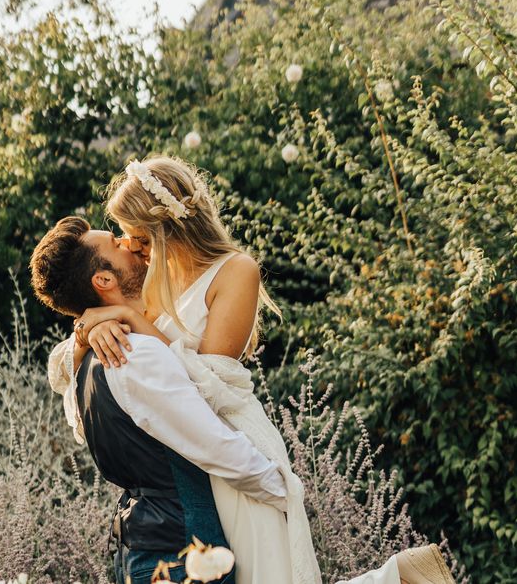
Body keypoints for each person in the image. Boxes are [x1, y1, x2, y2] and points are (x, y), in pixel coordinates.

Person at [43, 156, 456, 584]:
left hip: (230, 442)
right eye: (122, 239)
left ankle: (397, 576)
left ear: (161, 228)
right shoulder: (150, 280)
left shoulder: (235, 271)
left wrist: (134, 323)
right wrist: (87, 332)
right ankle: (399, 576)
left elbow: (208, 383)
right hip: (194, 461)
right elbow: (96, 382)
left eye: (131, 235)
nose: (128, 247)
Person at [30, 218, 288, 584]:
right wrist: (283, 490)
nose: (130, 243)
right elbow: (212, 442)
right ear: (104, 280)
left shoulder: (86, 364)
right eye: (116, 244)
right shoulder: (135, 354)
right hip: (181, 551)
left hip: (138, 550)